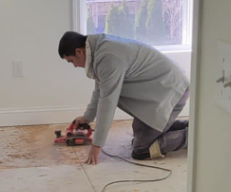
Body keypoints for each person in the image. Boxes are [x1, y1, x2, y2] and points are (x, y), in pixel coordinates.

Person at [58, 30, 190, 165]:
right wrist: (87, 117)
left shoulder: (107, 57)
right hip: (160, 92)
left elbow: (107, 102)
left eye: (71, 61)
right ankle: (191, 125)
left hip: (172, 92)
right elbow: (100, 88)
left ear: (79, 52)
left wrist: (97, 145)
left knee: (141, 150)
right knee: (139, 134)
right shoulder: (98, 48)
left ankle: (194, 135)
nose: (75, 65)